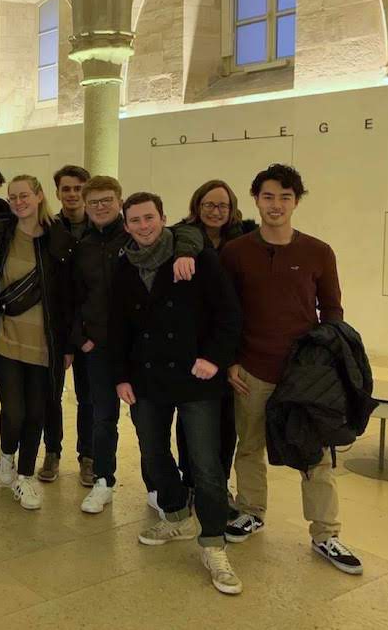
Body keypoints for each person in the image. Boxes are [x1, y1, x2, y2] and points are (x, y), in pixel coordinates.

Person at [221, 164, 363, 575]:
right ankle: (250, 510)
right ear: (256, 200)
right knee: (249, 446)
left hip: (303, 375)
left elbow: (332, 311)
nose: (276, 204)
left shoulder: (318, 251)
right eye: (268, 196)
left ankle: (325, 533)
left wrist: (327, 364)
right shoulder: (237, 252)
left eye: (285, 197)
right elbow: (226, 313)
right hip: (251, 368)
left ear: (296, 202)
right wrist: (231, 360)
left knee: (315, 455)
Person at [110, 192, 244, 596]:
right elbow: (119, 327)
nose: (143, 226)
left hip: (195, 377)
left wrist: (214, 359)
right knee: (152, 451)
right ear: (127, 225)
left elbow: (228, 314)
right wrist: (121, 376)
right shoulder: (124, 264)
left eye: (149, 218)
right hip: (147, 379)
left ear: (163, 218)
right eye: (134, 221)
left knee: (205, 464)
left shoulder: (196, 256)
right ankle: (175, 514)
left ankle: (214, 542)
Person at [74, 176, 203, 515]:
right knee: (103, 416)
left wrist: (187, 248)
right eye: (94, 202)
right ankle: (103, 480)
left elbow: (186, 232)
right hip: (101, 345)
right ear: (85, 207)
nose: (100, 206)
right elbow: (70, 295)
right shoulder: (82, 243)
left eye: (107, 199)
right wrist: (81, 338)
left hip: (144, 347)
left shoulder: (138, 233)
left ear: (119, 202)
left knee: (146, 422)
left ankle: (157, 486)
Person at [0, 175, 73, 511]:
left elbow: (67, 296)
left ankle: (26, 476)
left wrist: (68, 346)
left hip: (44, 342)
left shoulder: (58, 239)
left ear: (38, 197)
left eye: (25, 196)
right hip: (5, 338)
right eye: (13, 196)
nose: (19, 202)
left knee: (37, 412)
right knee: (14, 411)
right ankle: (6, 452)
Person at [175, 179, 258, 505]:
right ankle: (190, 479)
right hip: (194, 342)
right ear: (198, 206)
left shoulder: (244, 239)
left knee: (225, 421)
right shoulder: (183, 236)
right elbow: (184, 237)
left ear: (233, 208)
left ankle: (218, 481)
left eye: (222, 205)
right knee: (190, 418)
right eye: (209, 204)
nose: (215, 211)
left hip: (231, 340)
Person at [40, 164, 91, 485]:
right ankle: (52, 451)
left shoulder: (98, 228)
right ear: (57, 193)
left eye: (77, 189)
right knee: (51, 394)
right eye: (66, 189)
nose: (72, 194)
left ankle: (88, 455)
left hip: (88, 329)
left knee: (88, 396)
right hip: (55, 326)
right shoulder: (49, 229)